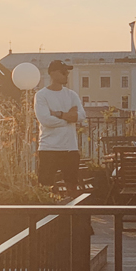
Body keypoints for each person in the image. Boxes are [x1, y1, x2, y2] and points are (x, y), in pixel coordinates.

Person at [33, 60, 87, 193]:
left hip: (70, 148)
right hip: (49, 148)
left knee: (72, 186)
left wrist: (59, 114)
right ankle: (48, 212)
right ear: (53, 73)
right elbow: (46, 120)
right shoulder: (41, 95)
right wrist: (69, 119)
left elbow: (81, 116)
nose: (66, 74)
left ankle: (72, 213)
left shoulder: (71, 94)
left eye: (67, 72)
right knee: (45, 187)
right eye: (63, 72)